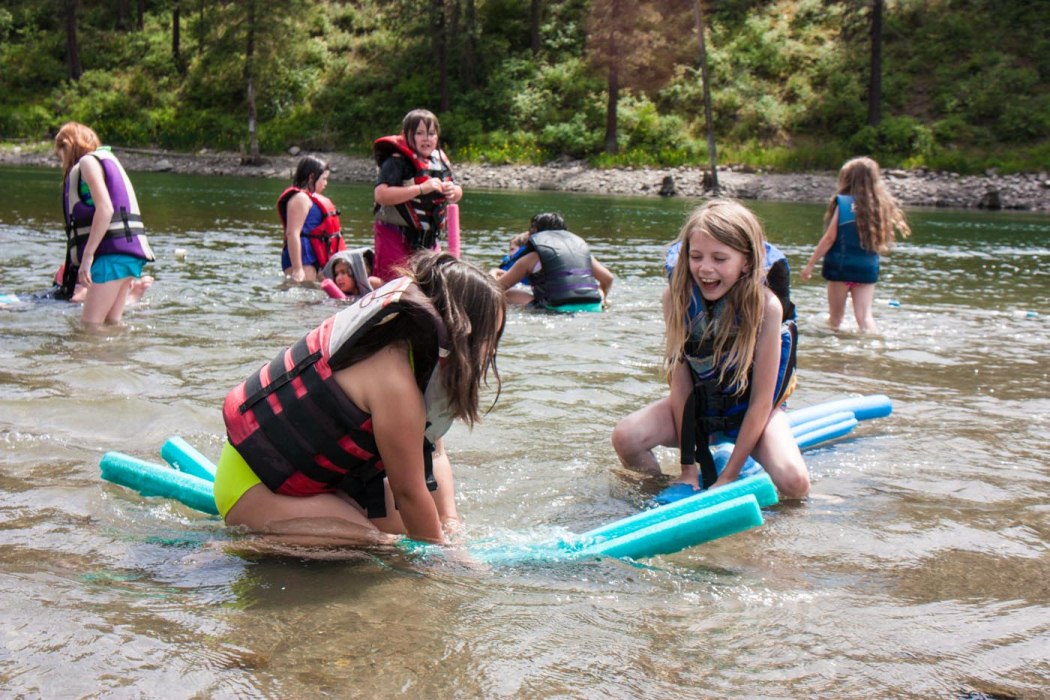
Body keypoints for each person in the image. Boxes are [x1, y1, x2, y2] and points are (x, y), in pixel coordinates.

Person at [216, 251, 505, 547]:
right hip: (258, 486)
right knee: (380, 544)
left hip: (314, 484)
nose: (489, 352)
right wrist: (442, 559)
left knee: (411, 524)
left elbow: (434, 453)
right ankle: (230, 549)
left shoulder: (416, 359)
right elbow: (409, 493)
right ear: (459, 331)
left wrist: (450, 522)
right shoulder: (395, 380)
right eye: (487, 339)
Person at [611, 199, 809, 501]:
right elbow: (681, 387)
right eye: (696, 256)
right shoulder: (675, 299)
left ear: (746, 262)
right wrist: (688, 471)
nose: (705, 269)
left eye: (719, 259)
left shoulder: (767, 307)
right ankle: (652, 494)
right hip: (700, 411)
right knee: (626, 438)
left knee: (795, 484)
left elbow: (760, 402)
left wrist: (728, 477)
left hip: (751, 414)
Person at [54, 122, 155, 325]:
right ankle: (123, 356)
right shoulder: (107, 160)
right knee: (111, 324)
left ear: (67, 146)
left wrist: (87, 258)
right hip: (127, 257)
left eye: (60, 155)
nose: (61, 162)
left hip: (111, 258)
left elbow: (106, 209)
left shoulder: (88, 163)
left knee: (89, 328)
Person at [801, 156, 911, 332]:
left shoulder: (843, 203)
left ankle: (831, 352)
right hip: (866, 269)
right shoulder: (881, 206)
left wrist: (810, 265)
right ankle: (871, 351)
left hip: (840, 269)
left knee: (835, 319)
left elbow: (829, 238)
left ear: (847, 179)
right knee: (865, 318)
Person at [372, 109, 463, 281]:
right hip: (394, 232)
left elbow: (457, 192)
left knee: (431, 282)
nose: (427, 139)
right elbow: (380, 194)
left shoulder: (440, 160)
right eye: (420, 133)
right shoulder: (396, 161)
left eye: (431, 133)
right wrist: (420, 189)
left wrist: (454, 192)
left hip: (428, 236)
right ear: (406, 135)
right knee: (392, 281)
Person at [494, 212, 614, 312]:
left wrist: (493, 273)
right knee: (599, 291)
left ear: (533, 233)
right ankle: (602, 303)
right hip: (593, 307)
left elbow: (496, 288)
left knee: (507, 294)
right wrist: (603, 297)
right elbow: (608, 278)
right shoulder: (581, 252)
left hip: (555, 308)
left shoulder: (531, 258)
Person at [277, 155, 347, 283]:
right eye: (324, 179)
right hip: (303, 258)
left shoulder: (310, 198)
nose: (326, 183)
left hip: (314, 255)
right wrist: (298, 269)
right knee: (303, 299)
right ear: (311, 177)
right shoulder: (300, 199)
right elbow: (292, 233)